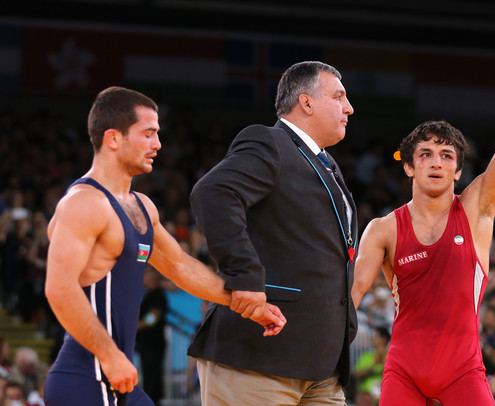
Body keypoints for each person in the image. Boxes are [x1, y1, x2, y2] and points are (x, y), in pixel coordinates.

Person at [351, 15, 495, 405]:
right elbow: (353, 293)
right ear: (409, 166)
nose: (436, 162)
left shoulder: (478, 207)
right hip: (403, 369)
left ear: (458, 170)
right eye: (425, 155)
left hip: (462, 369)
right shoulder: (383, 229)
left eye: (446, 155)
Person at [43, 86, 286, 406]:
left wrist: (248, 306)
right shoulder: (84, 204)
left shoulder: (142, 207)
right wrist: (110, 356)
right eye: (148, 134)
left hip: (118, 382)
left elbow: (180, 267)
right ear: (113, 138)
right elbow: (59, 289)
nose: (157, 144)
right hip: (86, 379)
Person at [188, 60, 357, 405]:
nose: (349, 108)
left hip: (322, 365)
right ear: (307, 102)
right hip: (259, 357)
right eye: (339, 96)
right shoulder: (269, 142)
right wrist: (245, 275)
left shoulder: (324, 162)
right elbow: (214, 193)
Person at [135, 269, 168, 405]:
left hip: (154, 343)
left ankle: (153, 401)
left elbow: (154, 316)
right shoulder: (146, 294)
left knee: (153, 374)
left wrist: (137, 326)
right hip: (144, 343)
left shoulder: (158, 295)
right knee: (147, 373)